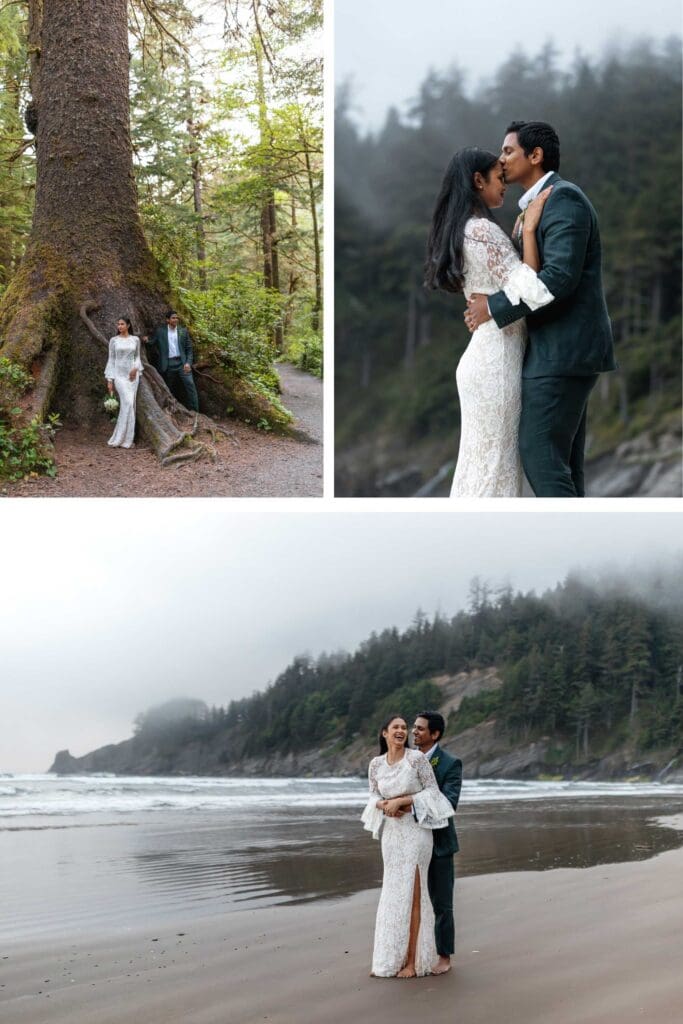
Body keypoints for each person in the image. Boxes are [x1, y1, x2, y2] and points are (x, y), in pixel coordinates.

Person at [464, 121, 616, 497]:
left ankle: (571, 546)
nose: (501, 160)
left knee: (539, 457)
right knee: (563, 467)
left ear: (536, 155)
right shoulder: (531, 208)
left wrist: (493, 308)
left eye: (509, 151)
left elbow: (559, 277)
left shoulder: (564, 198)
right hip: (553, 351)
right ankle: (577, 549)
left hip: (562, 351)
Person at [425, 146, 554, 496]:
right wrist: (529, 232)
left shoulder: (463, 228)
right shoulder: (481, 229)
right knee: (495, 469)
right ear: (477, 180)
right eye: (499, 178)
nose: (505, 185)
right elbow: (532, 290)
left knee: (481, 468)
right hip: (496, 363)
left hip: (485, 357)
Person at [361, 714, 455, 978]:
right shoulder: (375, 764)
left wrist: (402, 801)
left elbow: (433, 794)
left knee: (414, 894)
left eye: (405, 727)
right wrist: (384, 806)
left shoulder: (417, 759)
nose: (402, 731)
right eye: (396, 727)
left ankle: (413, 963)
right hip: (391, 835)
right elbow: (373, 795)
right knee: (393, 895)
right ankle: (390, 959)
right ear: (384, 733)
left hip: (415, 834)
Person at [412, 711, 462, 975]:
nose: (414, 732)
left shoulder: (450, 764)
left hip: (440, 844)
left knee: (442, 903)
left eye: (420, 729)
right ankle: (412, 955)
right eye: (414, 727)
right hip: (410, 842)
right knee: (410, 901)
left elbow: (449, 803)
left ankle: (444, 957)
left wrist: (409, 802)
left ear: (435, 734)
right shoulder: (407, 761)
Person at [144, 310, 199, 412]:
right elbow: (152, 342)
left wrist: (188, 363)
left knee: (190, 384)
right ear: (167, 320)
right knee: (168, 387)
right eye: (173, 318)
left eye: (176, 318)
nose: (175, 320)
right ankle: (170, 409)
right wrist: (146, 340)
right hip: (168, 364)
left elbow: (189, 349)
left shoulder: (183, 331)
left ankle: (195, 411)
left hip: (182, 363)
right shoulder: (161, 331)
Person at [104, 317, 143, 449]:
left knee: (131, 406)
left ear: (128, 325)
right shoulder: (114, 341)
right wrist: (110, 379)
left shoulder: (135, 340)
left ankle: (128, 439)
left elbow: (137, 357)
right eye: (118, 324)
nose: (119, 326)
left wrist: (135, 368)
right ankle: (119, 437)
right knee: (127, 402)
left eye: (122, 324)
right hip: (119, 376)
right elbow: (111, 359)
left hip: (132, 376)